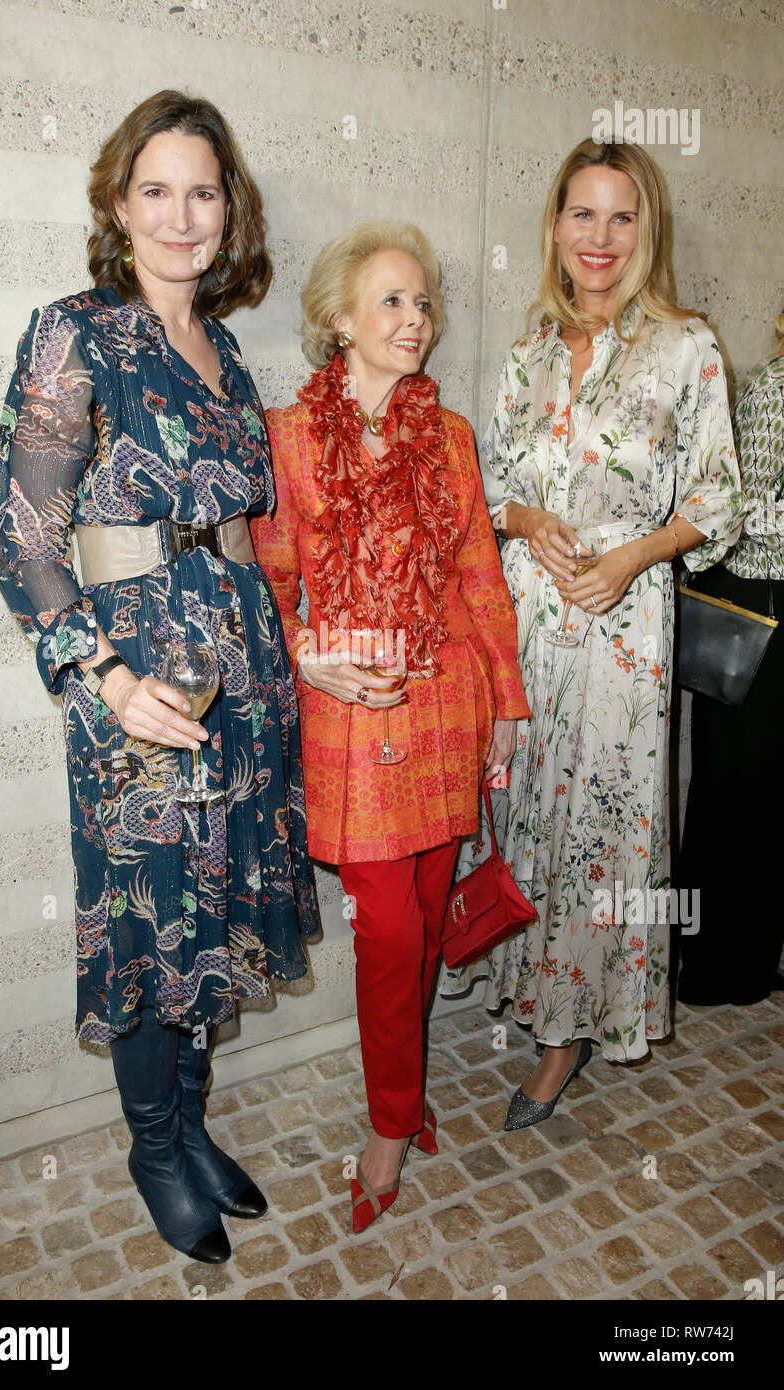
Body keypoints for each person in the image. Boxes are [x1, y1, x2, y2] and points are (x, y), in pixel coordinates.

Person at [0, 90, 319, 1262]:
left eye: (203, 190)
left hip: (243, 666)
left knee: (215, 907)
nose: (182, 216)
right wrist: (103, 675)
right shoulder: (74, 332)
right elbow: (26, 537)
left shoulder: (225, 352)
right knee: (149, 919)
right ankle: (151, 1144)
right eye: (156, 190)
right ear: (117, 204)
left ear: (229, 212)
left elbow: (242, 526)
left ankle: (189, 1123)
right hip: (140, 678)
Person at [442, 139, 743, 1130]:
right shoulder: (527, 356)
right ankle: (527, 990)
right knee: (526, 811)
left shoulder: (685, 346)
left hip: (622, 634)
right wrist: (528, 523)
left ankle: (570, 1029)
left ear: (642, 230)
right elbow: (489, 493)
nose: (599, 239)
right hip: (527, 624)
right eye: (582, 215)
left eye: (620, 218)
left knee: (604, 838)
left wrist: (632, 555)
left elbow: (718, 498)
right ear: (555, 226)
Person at [251, 221, 530, 1229]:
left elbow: (477, 577)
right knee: (390, 929)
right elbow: (267, 585)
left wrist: (505, 697)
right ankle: (388, 1120)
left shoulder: (447, 437)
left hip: (446, 697)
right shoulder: (285, 437)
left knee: (419, 916)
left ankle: (404, 1103)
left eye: (422, 303)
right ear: (339, 319)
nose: (413, 320)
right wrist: (303, 649)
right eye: (391, 301)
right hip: (353, 717)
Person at [678, 305, 784, 1004]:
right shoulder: (776, 391)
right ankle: (714, 966)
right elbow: (751, 514)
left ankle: (748, 955)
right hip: (756, 615)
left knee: (764, 797)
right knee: (734, 792)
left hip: (770, 610)